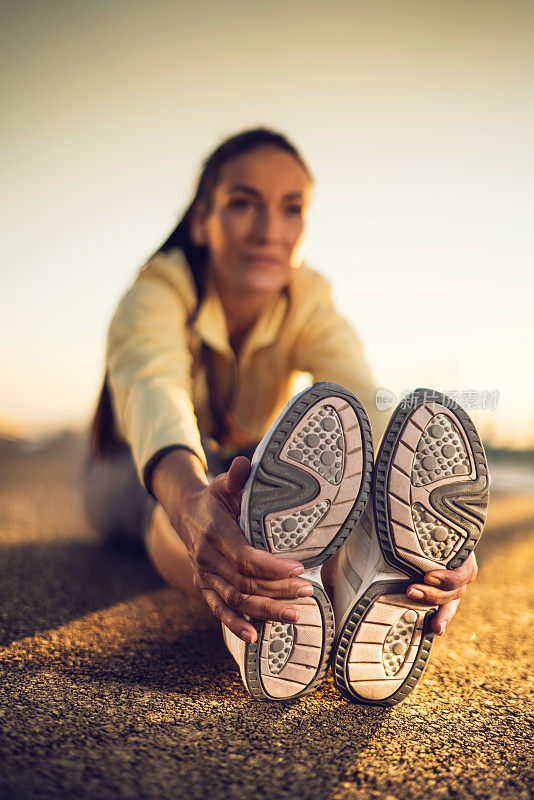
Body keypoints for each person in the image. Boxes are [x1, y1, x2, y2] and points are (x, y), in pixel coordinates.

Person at [84, 128, 479, 696]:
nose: (270, 231)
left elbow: (366, 401)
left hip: (236, 459)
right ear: (202, 220)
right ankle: (246, 594)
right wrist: (191, 502)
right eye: (244, 203)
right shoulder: (156, 291)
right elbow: (155, 395)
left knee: (249, 486)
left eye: (290, 209)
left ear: (304, 225)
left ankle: (350, 577)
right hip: (139, 467)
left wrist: (445, 530)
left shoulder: (309, 298)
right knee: (200, 502)